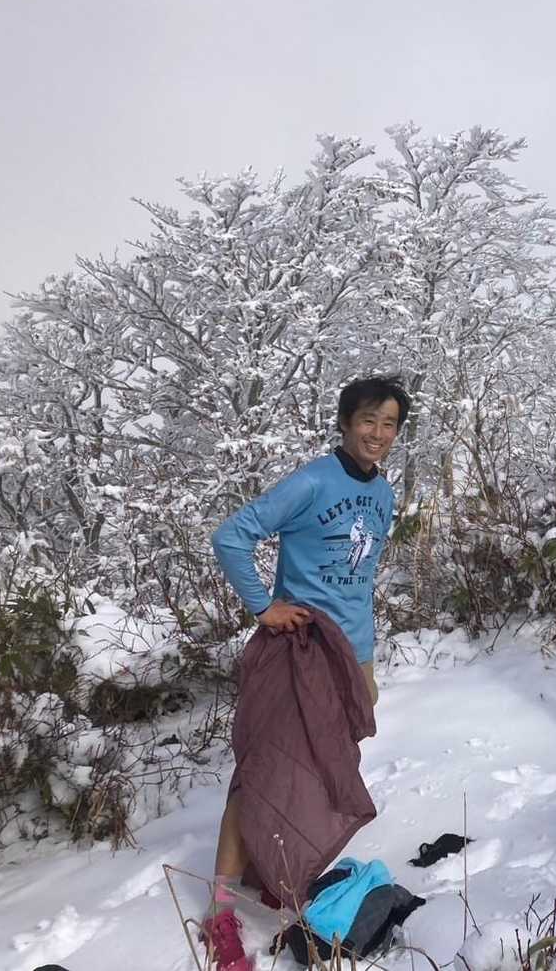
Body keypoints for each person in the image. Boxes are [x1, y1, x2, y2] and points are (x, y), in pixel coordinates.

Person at [202, 375, 410, 971]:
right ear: (344, 423)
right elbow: (231, 537)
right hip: (300, 652)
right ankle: (220, 908)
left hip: (351, 657)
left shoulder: (384, 493)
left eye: (389, 424)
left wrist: (363, 654)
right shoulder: (312, 481)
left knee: (318, 771)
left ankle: (276, 873)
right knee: (264, 771)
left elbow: (359, 577)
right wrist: (264, 607)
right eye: (368, 420)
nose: (378, 433)